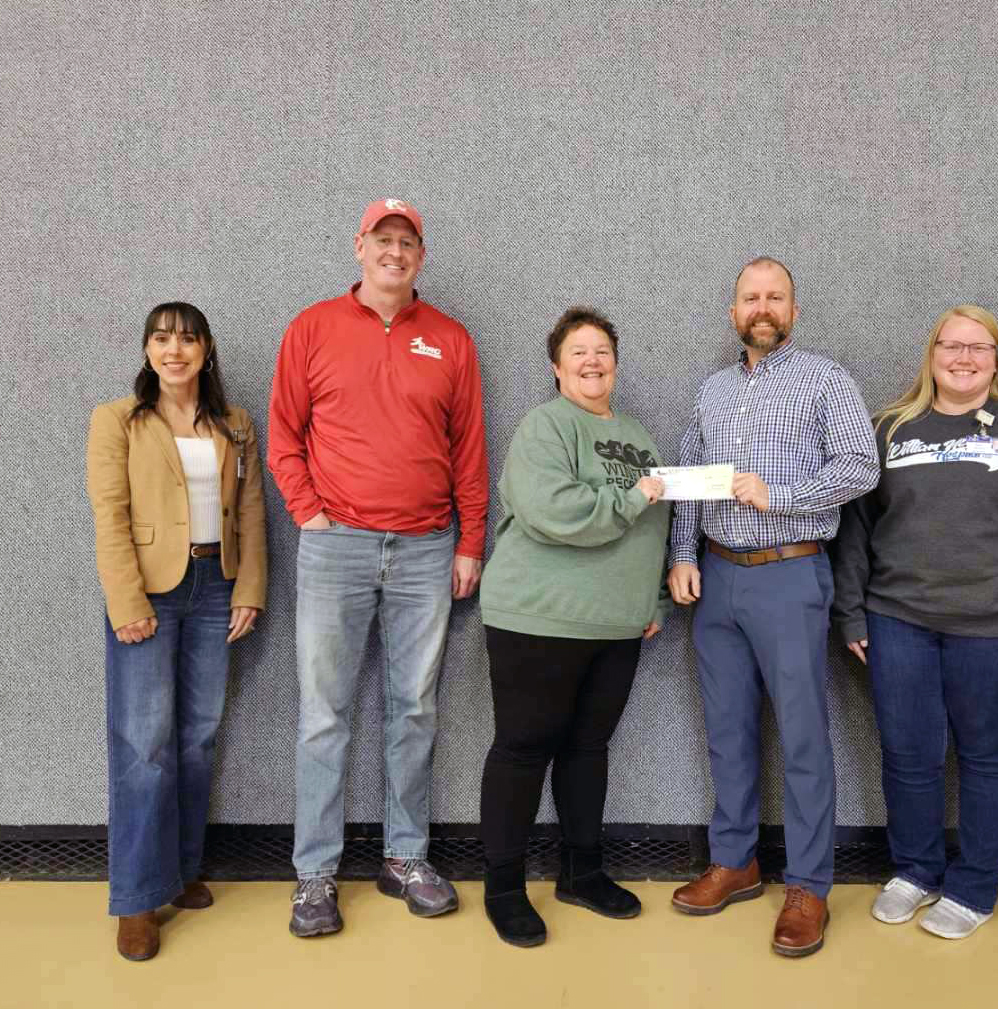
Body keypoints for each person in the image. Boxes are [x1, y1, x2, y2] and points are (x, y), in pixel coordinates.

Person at [831, 305, 998, 940]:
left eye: (980, 347)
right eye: (952, 344)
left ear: (997, 359)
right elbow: (855, 530)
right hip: (899, 623)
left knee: (988, 758)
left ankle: (974, 884)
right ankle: (916, 869)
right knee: (908, 754)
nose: (964, 357)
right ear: (932, 352)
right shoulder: (890, 428)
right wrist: (852, 612)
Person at [267, 198, 489, 937]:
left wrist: (468, 541)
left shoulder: (450, 340)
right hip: (336, 548)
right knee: (324, 714)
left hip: (427, 550)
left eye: (408, 242)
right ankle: (315, 875)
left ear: (420, 257)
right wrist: (310, 516)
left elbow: (468, 451)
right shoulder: (311, 328)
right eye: (382, 239)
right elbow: (283, 438)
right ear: (358, 246)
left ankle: (404, 857)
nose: (394, 251)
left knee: (414, 708)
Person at [666, 257, 879, 957]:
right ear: (733, 313)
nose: (762, 307)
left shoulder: (826, 380)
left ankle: (809, 883)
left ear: (793, 309)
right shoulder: (712, 391)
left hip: (790, 574)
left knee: (802, 734)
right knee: (727, 729)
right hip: (719, 580)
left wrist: (778, 495)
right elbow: (689, 481)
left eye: (775, 296)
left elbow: (859, 466)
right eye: (750, 297)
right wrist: (683, 554)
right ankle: (735, 860)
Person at [476, 307, 671, 947]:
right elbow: (554, 511)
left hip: (617, 625)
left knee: (589, 749)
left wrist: (651, 602)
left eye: (602, 351)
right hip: (540, 619)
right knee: (524, 748)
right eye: (578, 352)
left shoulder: (640, 436)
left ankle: (581, 872)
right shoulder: (545, 427)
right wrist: (635, 495)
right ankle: (504, 888)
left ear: (617, 361)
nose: (592, 361)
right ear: (557, 368)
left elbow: (655, 530)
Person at [87, 302, 267, 961]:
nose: (174, 349)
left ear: (206, 349)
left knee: (196, 738)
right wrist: (125, 598)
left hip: (214, 587)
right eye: (161, 338)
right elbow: (108, 514)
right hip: (149, 594)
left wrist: (249, 586)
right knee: (145, 745)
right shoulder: (118, 421)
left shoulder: (234, 423)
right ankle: (137, 897)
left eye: (187, 339)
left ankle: (181, 869)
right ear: (146, 350)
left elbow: (250, 511)